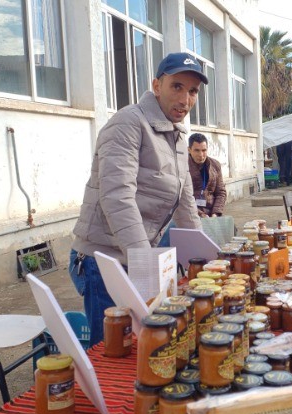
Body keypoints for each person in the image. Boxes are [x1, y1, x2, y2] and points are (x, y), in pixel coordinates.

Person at [70, 52, 207, 346]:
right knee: (113, 351)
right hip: (102, 260)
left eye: (193, 91)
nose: (185, 99)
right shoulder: (128, 123)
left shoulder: (178, 136)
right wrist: (145, 265)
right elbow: (117, 197)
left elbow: (185, 201)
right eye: (177, 87)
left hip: (136, 256)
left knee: (148, 344)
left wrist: (205, 260)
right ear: (157, 86)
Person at [187, 133, 227, 217]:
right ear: (189, 150)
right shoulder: (182, 166)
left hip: (212, 214)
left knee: (230, 229)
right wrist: (201, 214)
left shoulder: (215, 165)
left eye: (204, 150)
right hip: (190, 215)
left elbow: (221, 192)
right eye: (197, 150)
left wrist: (215, 213)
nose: (201, 155)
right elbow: (182, 198)